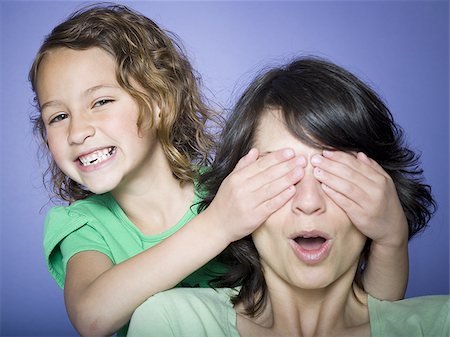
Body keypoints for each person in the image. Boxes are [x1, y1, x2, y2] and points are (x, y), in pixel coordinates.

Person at [30, 3, 414, 335]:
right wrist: (218, 225)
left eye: (101, 102)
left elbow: (376, 315)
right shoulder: (83, 226)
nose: (78, 131)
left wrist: (391, 239)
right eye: (58, 116)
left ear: (160, 100)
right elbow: (91, 317)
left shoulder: (229, 191)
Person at [127, 57, 447, 337]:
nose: (308, 202)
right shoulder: (174, 324)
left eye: (335, 174)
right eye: (278, 175)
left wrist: (392, 237)